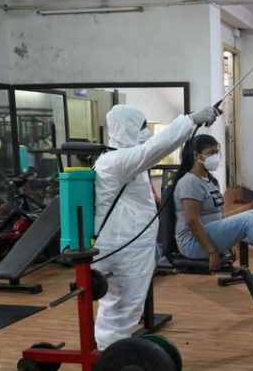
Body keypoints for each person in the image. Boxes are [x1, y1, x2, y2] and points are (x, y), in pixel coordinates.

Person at [93, 104, 220, 349]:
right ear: (127, 126)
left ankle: (114, 352)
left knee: (122, 308)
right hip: (123, 247)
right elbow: (155, 148)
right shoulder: (117, 160)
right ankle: (111, 358)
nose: (145, 132)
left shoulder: (121, 160)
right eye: (141, 126)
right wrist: (191, 120)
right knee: (121, 311)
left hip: (128, 245)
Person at [173, 134, 253, 276]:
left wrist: (228, 239)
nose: (215, 156)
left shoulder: (209, 180)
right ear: (196, 155)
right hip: (193, 243)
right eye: (210, 153)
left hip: (209, 235)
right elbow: (192, 221)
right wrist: (212, 252)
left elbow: (217, 215)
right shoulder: (190, 182)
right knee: (247, 220)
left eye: (216, 152)